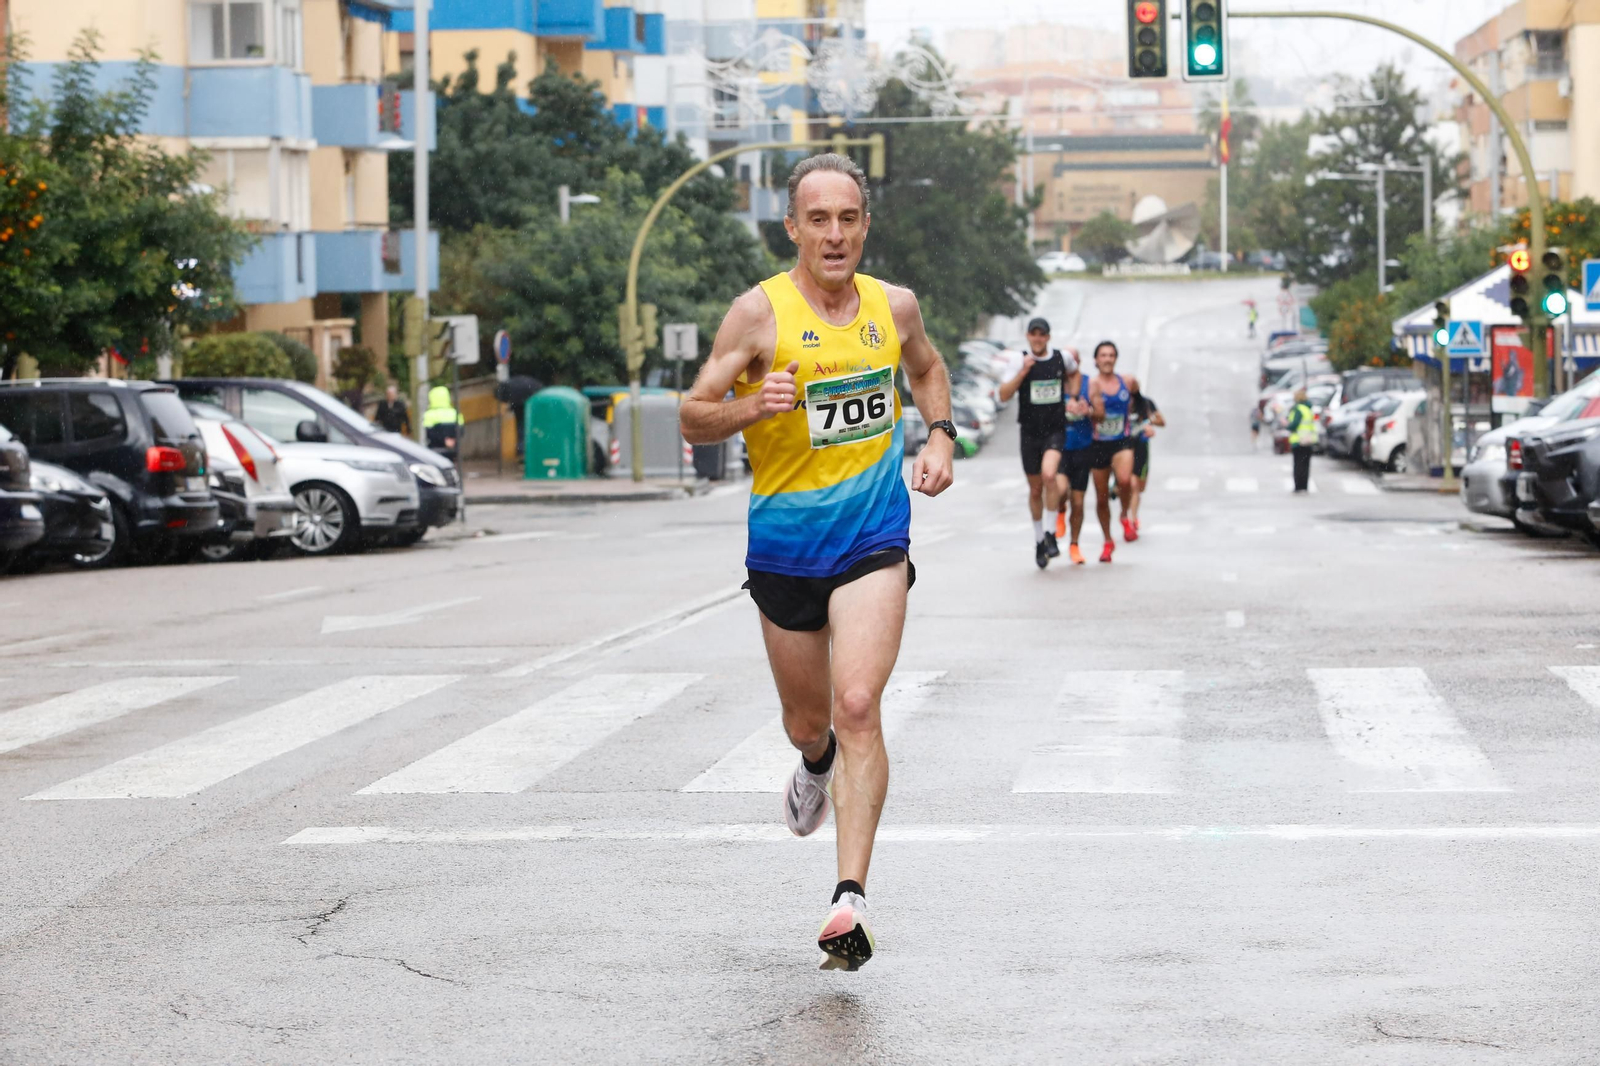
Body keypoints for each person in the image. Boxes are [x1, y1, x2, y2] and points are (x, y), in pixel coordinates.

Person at [679, 153, 955, 971]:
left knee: (860, 701)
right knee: (812, 723)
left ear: (866, 225)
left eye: (849, 218)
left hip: (872, 538)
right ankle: (813, 762)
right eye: (818, 220)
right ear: (793, 227)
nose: (835, 235)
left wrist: (940, 436)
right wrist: (747, 408)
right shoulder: (756, 316)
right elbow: (691, 415)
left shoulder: (893, 305)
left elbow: (928, 367)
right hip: (785, 549)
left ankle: (849, 899)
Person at [997, 317, 1068, 569]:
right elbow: (1003, 394)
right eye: (1033, 334)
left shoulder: (1062, 358)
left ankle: (1051, 533)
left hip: (1055, 430)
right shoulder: (1019, 360)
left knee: (1050, 475)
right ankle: (1039, 539)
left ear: (1048, 337)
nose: (1038, 339)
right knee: (1036, 489)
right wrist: (1024, 371)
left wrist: (1075, 398)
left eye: (1042, 335)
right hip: (1029, 432)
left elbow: (1075, 372)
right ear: (1028, 336)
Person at [1088, 340, 1141, 561]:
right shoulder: (1091, 385)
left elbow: (1140, 401)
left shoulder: (1127, 382)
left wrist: (1143, 419)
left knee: (1125, 480)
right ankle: (1108, 541)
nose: (1107, 359)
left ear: (1115, 359)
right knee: (1101, 499)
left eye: (1111, 355)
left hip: (1121, 441)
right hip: (1098, 444)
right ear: (1096, 360)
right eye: (1103, 355)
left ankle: (1124, 515)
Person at [1052, 354, 1093, 565]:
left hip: (1083, 449)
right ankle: (1060, 511)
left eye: (1074, 358)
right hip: (1059, 448)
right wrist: (1060, 410)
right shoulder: (1055, 382)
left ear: (1079, 361)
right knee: (1060, 490)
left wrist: (1089, 411)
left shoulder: (1089, 383)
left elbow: (1101, 414)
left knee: (1078, 502)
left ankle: (1074, 545)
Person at [1126, 390, 1166, 533]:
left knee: (1139, 487)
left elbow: (1162, 421)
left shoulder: (1145, 403)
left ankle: (1132, 517)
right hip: (1124, 448)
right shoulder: (1118, 402)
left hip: (1141, 448)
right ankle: (1131, 520)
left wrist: (1148, 423)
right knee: (1132, 485)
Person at [1287, 387, 1317, 492]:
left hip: (1298, 441)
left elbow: (1294, 425)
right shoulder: (1308, 409)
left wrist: (1287, 425)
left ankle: (1298, 486)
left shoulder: (1298, 409)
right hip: (1308, 440)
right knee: (1306, 465)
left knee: (1298, 465)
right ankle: (1304, 485)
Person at [422, 385, 461, 460]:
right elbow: (461, 429)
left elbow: (428, 433)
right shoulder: (454, 412)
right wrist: (452, 439)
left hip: (435, 449)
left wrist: (443, 440)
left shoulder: (429, 414)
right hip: (452, 449)